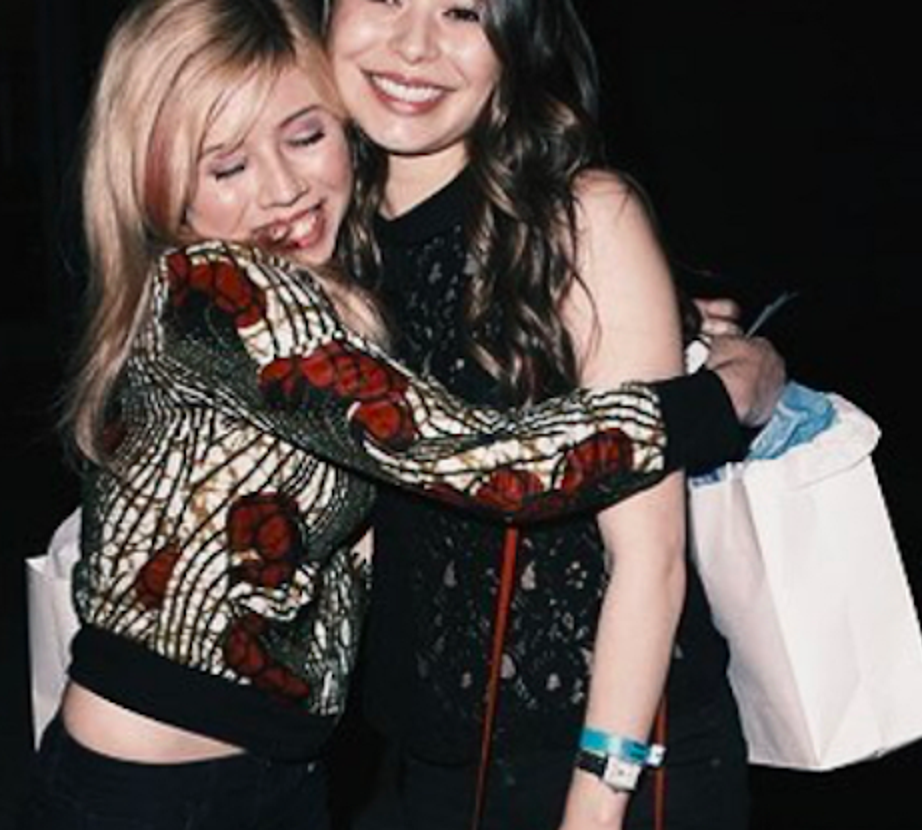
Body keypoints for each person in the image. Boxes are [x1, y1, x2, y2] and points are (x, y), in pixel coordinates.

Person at [24, 1, 781, 828]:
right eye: (227, 165)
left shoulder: (359, 252)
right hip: (205, 789)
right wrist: (720, 397)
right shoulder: (251, 278)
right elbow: (483, 463)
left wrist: (665, 316)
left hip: (543, 763)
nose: (281, 186)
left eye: (461, 9)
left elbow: (647, 556)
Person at [322, 0, 776, 828]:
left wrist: (595, 804)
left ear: (516, 45)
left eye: (463, 11)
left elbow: (650, 559)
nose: (414, 45)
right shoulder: (318, 235)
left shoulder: (579, 219)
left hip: (610, 754)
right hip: (424, 762)